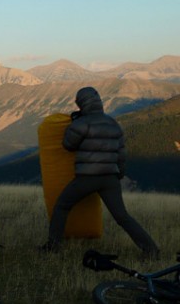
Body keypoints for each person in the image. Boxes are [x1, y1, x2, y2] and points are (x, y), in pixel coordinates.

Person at [42, 87, 159, 257]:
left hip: (87, 177)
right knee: (122, 217)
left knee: (61, 207)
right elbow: (121, 155)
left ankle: (53, 247)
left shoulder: (82, 124)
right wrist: (118, 174)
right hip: (109, 178)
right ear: (99, 103)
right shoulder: (114, 124)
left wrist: (73, 124)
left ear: (81, 104)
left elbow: (68, 145)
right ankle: (151, 249)